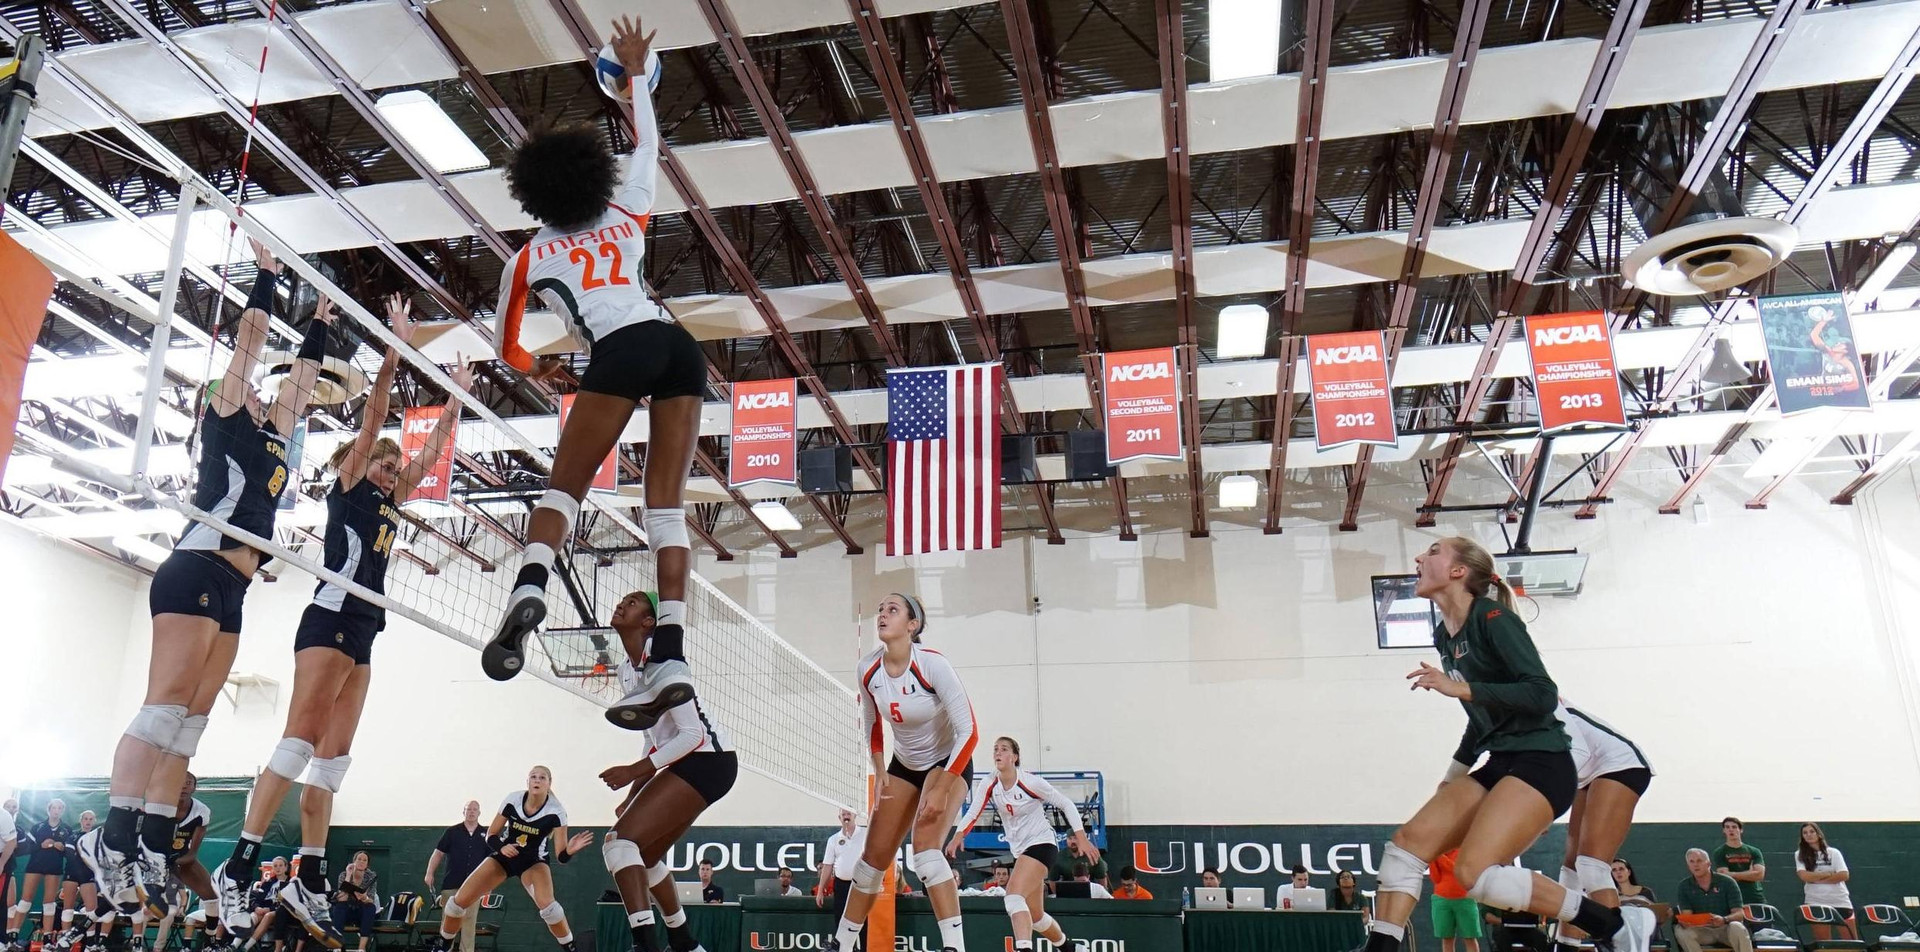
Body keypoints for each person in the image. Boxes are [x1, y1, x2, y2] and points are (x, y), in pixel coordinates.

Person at [80, 240, 332, 913]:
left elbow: (301, 382)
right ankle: (110, 838)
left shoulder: (277, 432)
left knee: (189, 725)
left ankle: (155, 848)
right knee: (164, 708)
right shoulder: (224, 416)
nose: (258, 390)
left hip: (234, 587)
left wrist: (325, 320)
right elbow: (247, 351)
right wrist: (269, 279)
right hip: (194, 566)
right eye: (247, 385)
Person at [214, 296, 471, 949]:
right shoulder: (352, 486)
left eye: (393, 465)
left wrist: (457, 399)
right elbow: (377, 415)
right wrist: (395, 347)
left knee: (333, 762)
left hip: (364, 630)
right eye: (383, 463)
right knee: (299, 738)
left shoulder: (392, 499)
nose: (390, 470)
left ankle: (310, 876)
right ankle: (241, 864)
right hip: (329, 615)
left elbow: (434, 450)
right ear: (362, 466)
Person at [482, 12, 704, 739]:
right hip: (676, 345)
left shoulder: (528, 260)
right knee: (665, 508)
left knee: (564, 489)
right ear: (591, 175)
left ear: (532, 195)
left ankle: (531, 583)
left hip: (619, 349)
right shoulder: (626, 206)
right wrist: (635, 73)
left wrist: (538, 365)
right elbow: (650, 143)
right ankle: (669, 655)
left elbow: (506, 350)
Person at [1356, 537, 1623, 952]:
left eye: (1433, 551)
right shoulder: (1444, 635)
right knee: (1405, 848)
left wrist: (1461, 689)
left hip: (1543, 761)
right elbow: (1479, 717)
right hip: (1501, 761)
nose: (1419, 558)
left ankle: (1598, 920)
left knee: (1477, 876)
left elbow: (1541, 694)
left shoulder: (1494, 617)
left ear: (1459, 571)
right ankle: (1382, 947)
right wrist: (1452, 777)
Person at [832, 593, 978, 952]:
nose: (883, 614)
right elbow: (871, 722)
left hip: (947, 762)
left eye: (892, 610)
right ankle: (841, 944)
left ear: (912, 626)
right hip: (904, 765)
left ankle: (954, 946)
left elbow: (969, 732)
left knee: (926, 855)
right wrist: (879, 767)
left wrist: (943, 788)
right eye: (880, 609)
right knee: (870, 862)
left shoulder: (932, 665)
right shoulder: (868, 669)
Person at [596, 590, 736, 952]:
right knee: (643, 857)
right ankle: (685, 943)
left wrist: (633, 772)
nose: (621, 603)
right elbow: (652, 741)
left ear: (648, 622)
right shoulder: (627, 670)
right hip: (696, 763)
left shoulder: (665, 661)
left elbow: (693, 734)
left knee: (617, 843)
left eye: (633, 603)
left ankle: (646, 943)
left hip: (708, 759)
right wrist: (632, 794)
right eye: (622, 600)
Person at [948, 737, 1099, 951]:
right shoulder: (990, 782)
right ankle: (1070, 948)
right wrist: (959, 834)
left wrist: (1081, 836)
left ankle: (1024, 949)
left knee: (1013, 898)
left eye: (1004, 749)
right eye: (995, 749)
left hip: (1042, 844)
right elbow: (974, 810)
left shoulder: (1030, 782)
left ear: (1014, 757)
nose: (998, 753)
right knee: (1036, 916)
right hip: (1021, 850)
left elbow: (1065, 803)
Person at [431, 769, 593, 952]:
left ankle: (571, 947)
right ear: (528, 781)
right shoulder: (513, 800)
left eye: (542, 777)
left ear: (549, 783)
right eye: (533, 777)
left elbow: (562, 857)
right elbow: (491, 835)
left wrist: (570, 850)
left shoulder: (557, 812)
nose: (537, 780)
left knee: (550, 909)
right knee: (455, 904)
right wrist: (502, 847)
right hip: (504, 856)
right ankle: (442, 946)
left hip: (533, 861)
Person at [1552, 701, 1654, 950]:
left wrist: (1546, 812)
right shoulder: (1501, 714)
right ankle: (1566, 945)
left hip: (1620, 763)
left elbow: (1577, 752)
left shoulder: (1536, 695)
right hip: (1587, 774)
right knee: (1571, 869)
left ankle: (1624, 941)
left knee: (1592, 865)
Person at [424, 802, 488, 952]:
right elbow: (438, 853)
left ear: (479, 813)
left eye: (474, 810)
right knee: (447, 922)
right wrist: (429, 873)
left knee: (469, 923)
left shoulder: (486, 834)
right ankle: (445, 949)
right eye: (468, 809)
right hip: (451, 884)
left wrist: (488, 886)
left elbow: (490, 863)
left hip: (474, 887)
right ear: (463, 812)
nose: (471, 812)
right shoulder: (452, 832)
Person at [12, 800, 72, 949]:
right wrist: (41, 845)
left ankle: (47, 941)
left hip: (54, 868)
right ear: (48, 810)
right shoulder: (37, 827)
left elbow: (70, 852)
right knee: (25, 900)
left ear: (62, 810)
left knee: (49, 903)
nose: (56, 810)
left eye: (59, 808)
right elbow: (27, 847)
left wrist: (62, 848)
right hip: (35, 866)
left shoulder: (67, 829)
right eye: (54, 807)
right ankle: (12, 935)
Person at [1675, 849, 1752, 952]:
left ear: (1708, 863)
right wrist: (1685, 922)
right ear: (1688, 865)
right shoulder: (1684, 886)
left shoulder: (1727, 882)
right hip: (1702, 931)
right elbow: (1687, 915)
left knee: (1737, 926)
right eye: (1692, 862)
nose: (1695, 865)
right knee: (1680, 931)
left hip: (1726, 928)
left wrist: (1724, 919)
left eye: (1699, 861)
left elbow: (1739, 914)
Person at [1795, 823, 1853, 939]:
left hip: (1840, 901)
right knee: (1823, 944)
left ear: (1818, 833)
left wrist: (1815, 878)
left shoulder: (1834, 852)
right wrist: (1827, 874)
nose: (1809, 835)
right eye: (1805, 833)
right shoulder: (1799, 854)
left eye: (1812, 831)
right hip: (1815, 901)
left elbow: (1843, 875)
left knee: (1851, 942)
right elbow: (1804, 876)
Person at [52, 812, 97, 951]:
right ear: (81, 820)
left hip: (88, 875)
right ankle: (66, 941)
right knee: (68, 907)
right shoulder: (72, 836)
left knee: (92, 910)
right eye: (85, 819)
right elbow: (70, 854)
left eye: (90, 819)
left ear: (94, 821)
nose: (88, 822)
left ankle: (90, 944)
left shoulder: (97, 837)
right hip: (71, 873)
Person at [1430, 850, 1480, 952]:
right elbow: (1435, 878)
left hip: (1465, 898)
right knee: (1447, 938)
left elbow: (1457, 870)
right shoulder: (1439, 853)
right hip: (1441, 898)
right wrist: (1433, 861)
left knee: (1470, 937)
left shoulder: (1464, 850)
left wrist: (1438, 856)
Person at [1711, 818, 1766, 908]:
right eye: (1727, 827)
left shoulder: (1754, 851)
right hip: (1732, 897)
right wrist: (1749, 873)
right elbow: (1724, 875)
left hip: (1755, 896)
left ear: (1741, 830)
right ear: (1724, 830)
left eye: (1734, 827)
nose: (1731, 829)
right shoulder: (1720, 852)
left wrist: (1732, 874)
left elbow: (1759, 875)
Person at [329, 853, 378, 951]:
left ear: (367, 864)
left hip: (361, 909)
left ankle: (361, 948)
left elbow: (371, 898)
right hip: (347, 908)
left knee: (370, 908)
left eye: (365, 860)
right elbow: (342, 898)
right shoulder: (343, 875)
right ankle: (337, 946)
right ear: (354, 861)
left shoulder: (371, 876)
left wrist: (364, 898)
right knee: (339, 907)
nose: (361, 862)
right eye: (359, 859)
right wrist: (348, 875)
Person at [816, 811, 856, 910]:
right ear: (839, 818)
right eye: (843, 815)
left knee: (861, 920)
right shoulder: (833, 839)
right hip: (841, 885)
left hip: (860, 885)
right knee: (840, 918)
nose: (846, 817)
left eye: (849, 814)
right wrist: (820, 891)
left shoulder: (865, 834)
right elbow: (827, 866)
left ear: (855, 815)